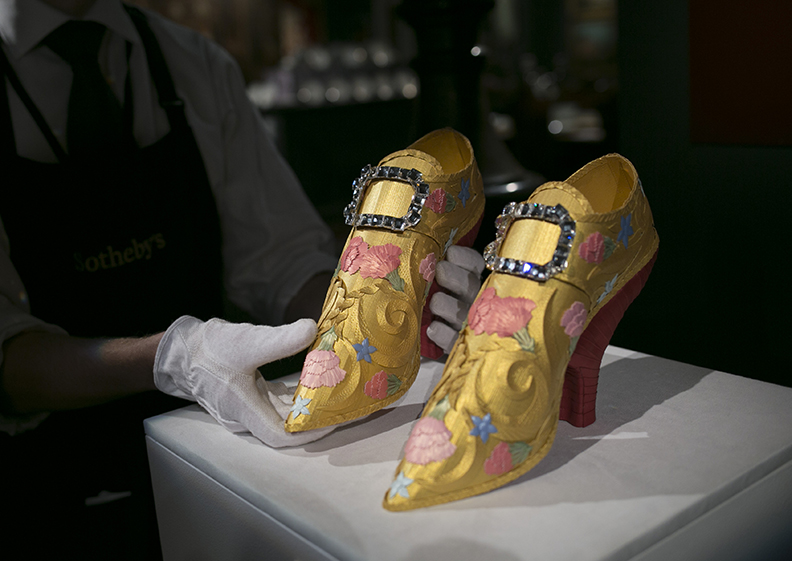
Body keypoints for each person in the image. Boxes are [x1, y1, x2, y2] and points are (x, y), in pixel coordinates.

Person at [0, 0, 484, 557]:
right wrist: (176, 356)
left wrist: (384, 308)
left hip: (213, 454)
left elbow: (280, 259)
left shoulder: (193, 64)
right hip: (45, 481)